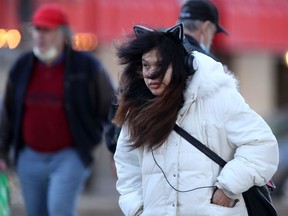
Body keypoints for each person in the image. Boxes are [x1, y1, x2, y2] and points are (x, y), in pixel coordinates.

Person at [113, 23, 279, 215]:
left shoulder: (219, 97)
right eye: (146, 65)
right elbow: (128, 167)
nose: (151, 75)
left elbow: (262, 145)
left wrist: (228, 187)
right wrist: (137, 209)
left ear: (182, 65)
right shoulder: (137, 110)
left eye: (160, 65)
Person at [0, 3, 114, 216]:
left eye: (47, 30)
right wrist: (2, 151)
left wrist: (116, 150)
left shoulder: (87, 67)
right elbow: (7, 111)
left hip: (69, 155)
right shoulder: (23, 66)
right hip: (29, 156)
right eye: (37, 30)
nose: (41, 36)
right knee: (36, 212)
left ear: (63, 34)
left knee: (60, 208)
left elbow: (111, 108)